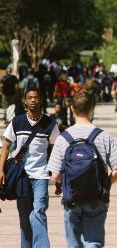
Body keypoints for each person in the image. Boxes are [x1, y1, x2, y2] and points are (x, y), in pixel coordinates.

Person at [47, 91, 117, 248]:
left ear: (72, 109)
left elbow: (54, 175)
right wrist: (104, 185)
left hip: (71, 198)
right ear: (92, 108)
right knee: (93, 242)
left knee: (74, 244)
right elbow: (116, 171)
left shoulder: (63, 138)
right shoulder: (104, 136)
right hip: (96, 199)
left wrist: (68, 182)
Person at [0, 88, 60, 248]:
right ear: (25, 101)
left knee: (39, 210)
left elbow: (56, 151)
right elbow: (6, 146)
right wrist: (0, 170)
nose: (33, 100)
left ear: (41, 100)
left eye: (36, 97)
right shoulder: (17, 122)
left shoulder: (51, 124)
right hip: (21, 175)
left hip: (41, 175)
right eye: (30, 98)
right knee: (25, 216)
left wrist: (58, 175)